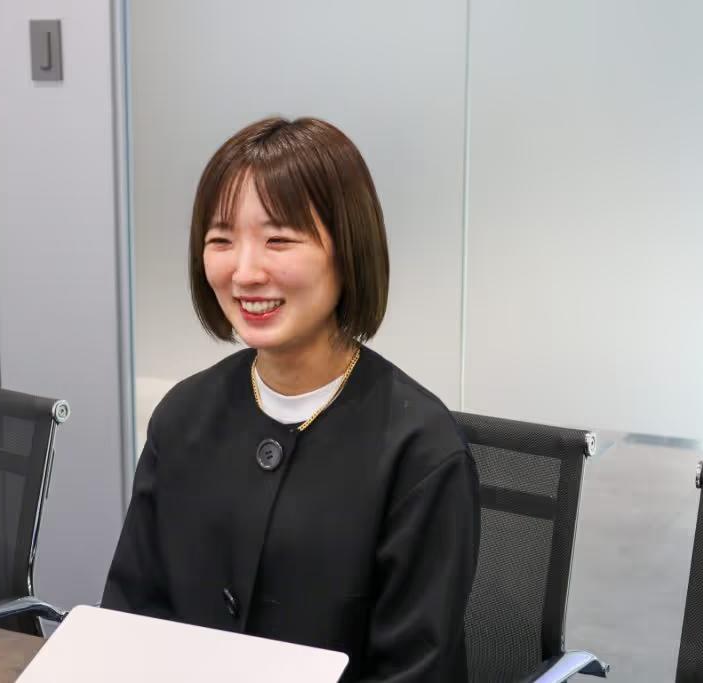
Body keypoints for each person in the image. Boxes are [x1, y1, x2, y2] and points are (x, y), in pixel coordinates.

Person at [101, 116, 480, 682]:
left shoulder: (421, 452)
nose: (245, 272)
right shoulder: (182, 417)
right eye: (221, 240)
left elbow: (414, 671)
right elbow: (131, 619)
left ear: (347, 250)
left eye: (278, 240)